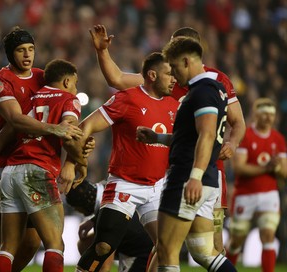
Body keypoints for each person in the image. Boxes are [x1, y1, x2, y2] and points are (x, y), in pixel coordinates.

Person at [89, 24, 246, 256]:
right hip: (169, 170)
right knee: (167, 246)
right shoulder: (167, 78)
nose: (169, 51)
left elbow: (238, 122)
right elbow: (118, 78)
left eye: (176, 45)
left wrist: (232, 144)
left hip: (207, 170)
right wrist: (102, 52)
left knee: (211, 245)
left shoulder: (216, 81)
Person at [0, 27, 83, 272]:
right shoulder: (1, 83)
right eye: (21, 50)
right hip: (5, 165)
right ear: (10, 54)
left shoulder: (42, 78)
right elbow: (15, 121)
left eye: (31, 49)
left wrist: (72, 148)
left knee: (31, 242)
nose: (27, 55)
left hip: (26, 165)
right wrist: (57, 130)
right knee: (3, 242)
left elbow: (63, 117)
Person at [60, 52, 179, 272]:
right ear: (152, 75)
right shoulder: (128, 98)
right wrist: (70, 164)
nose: (174, 79)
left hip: (157, 187)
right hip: (125, 184)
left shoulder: (175, 104)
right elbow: (86, 126)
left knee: (167, 247)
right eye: (169, 74)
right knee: (103, 246)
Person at [150, 36, 235, 272]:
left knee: (167, 249)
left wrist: (194, 176)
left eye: (175, 68)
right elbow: (192, 137)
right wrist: (156, 137)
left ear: (187, 61)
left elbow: (207, 134)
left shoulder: (202, 91)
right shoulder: (216, 89)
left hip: (188, 177)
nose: (174, 76)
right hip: (206, 179)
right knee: (203, 251)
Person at [226, 98, 287, 272]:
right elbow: (239, 168)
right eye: (264, 114)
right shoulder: (246, 136)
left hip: (269, 194)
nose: (268, 118)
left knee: (268, 235)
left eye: (271, 115)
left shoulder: (279, 139)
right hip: (245, 194)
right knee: (237, 239)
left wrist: (277, 168)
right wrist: (266, 168)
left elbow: (284, 172)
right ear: (256, 115)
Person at [66, 179, 153, 272]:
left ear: (82, 202)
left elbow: (105, 267)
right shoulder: (111, 188)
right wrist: (93, 220)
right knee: (85, 243)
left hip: (140, 255)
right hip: (151, 241)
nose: (78, 211)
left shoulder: (106, 215)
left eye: (76, 208)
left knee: (100, 249)